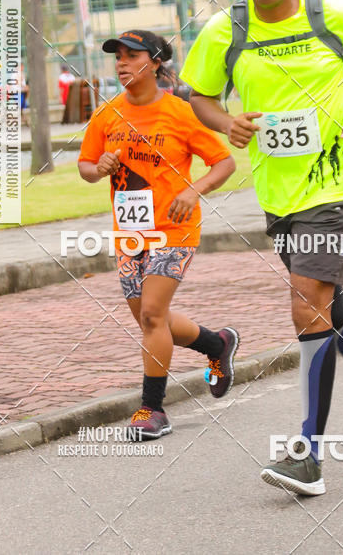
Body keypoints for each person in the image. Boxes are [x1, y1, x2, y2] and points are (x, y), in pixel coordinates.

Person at [180, 0, 343, 496]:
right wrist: (224, 120)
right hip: (277, 195)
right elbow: (201, 96)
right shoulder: (224, 30)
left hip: (332, 186)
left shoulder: (331, 15)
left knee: (307, 307)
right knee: (326, 308)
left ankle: (308, 455)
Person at [78, 29, 238, 440]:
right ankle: (217, 344)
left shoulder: (180, 111)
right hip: (130, 234)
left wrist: (192, 190)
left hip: (175, 229)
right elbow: (85, 166)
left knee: (151, 314)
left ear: (154, 62)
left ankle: (153, 410)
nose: (122, 64)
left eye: (131, 56)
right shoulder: (106, 113)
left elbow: (223, 163)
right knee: (154, 319)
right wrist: (100, 168)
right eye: (118, 58)